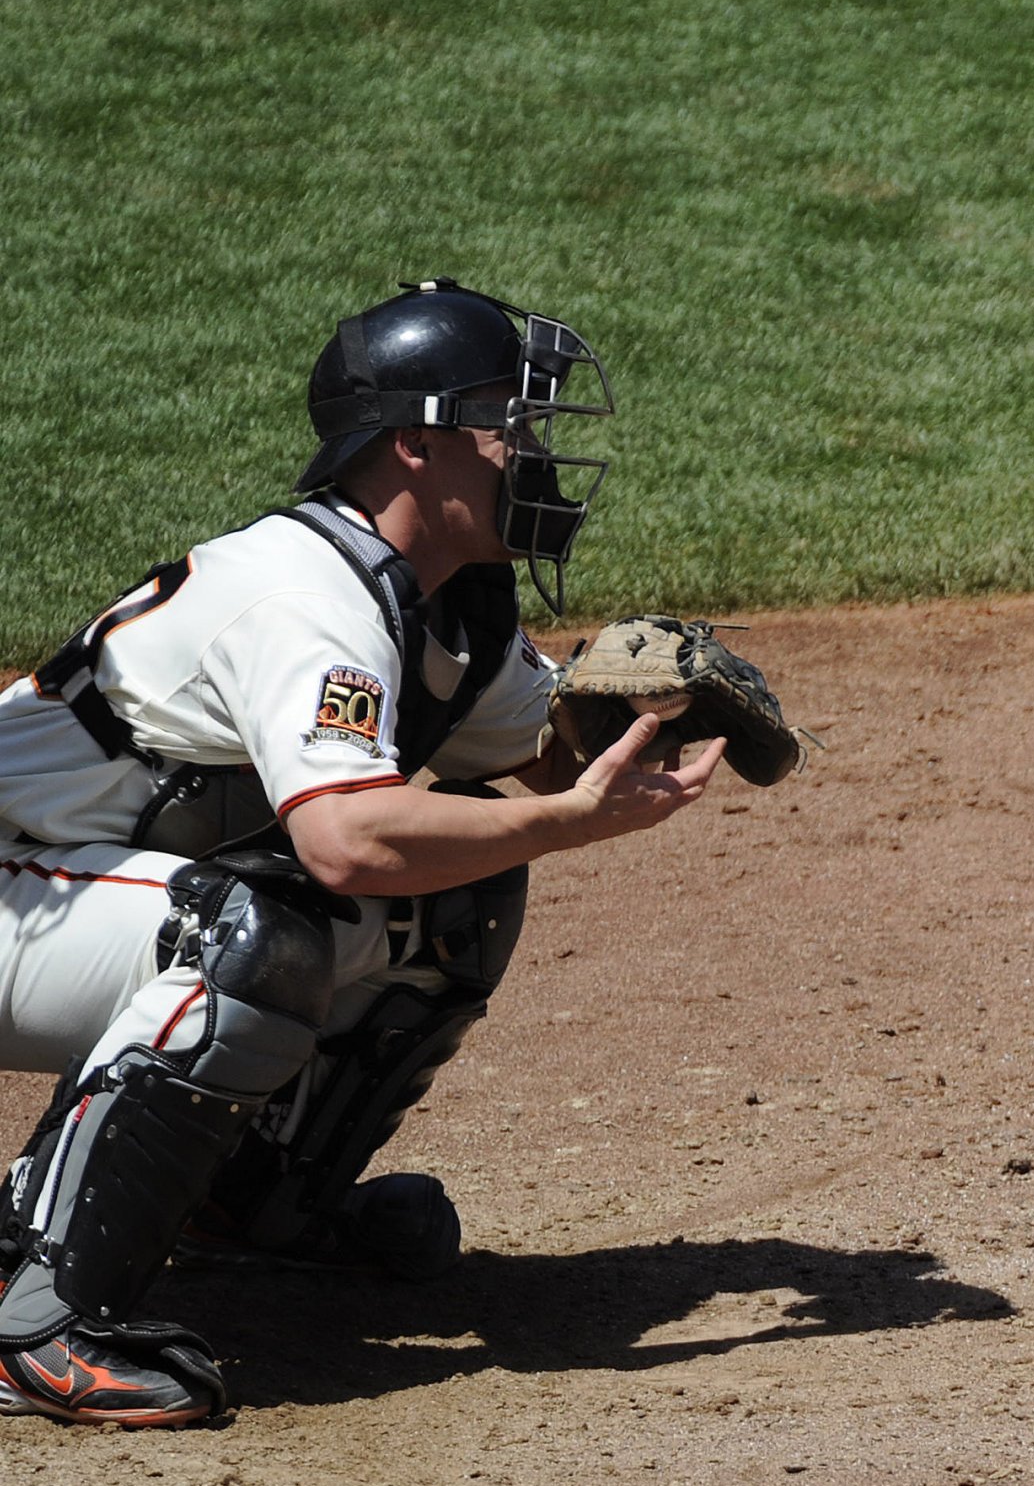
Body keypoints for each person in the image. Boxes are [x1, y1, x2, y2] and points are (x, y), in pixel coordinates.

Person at [0, 281, 723, 1425]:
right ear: (413, 444)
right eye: (510, 421)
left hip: (66, 889)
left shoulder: (450, 604)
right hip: (12, 897)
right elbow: (346, 840)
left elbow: (530, 756)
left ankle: (255, 1202)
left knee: (463, 887)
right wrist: (572, 816)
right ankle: (35, 1314)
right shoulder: (302, 593)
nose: (534, 451)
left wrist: (652, 716)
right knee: (249, 937)